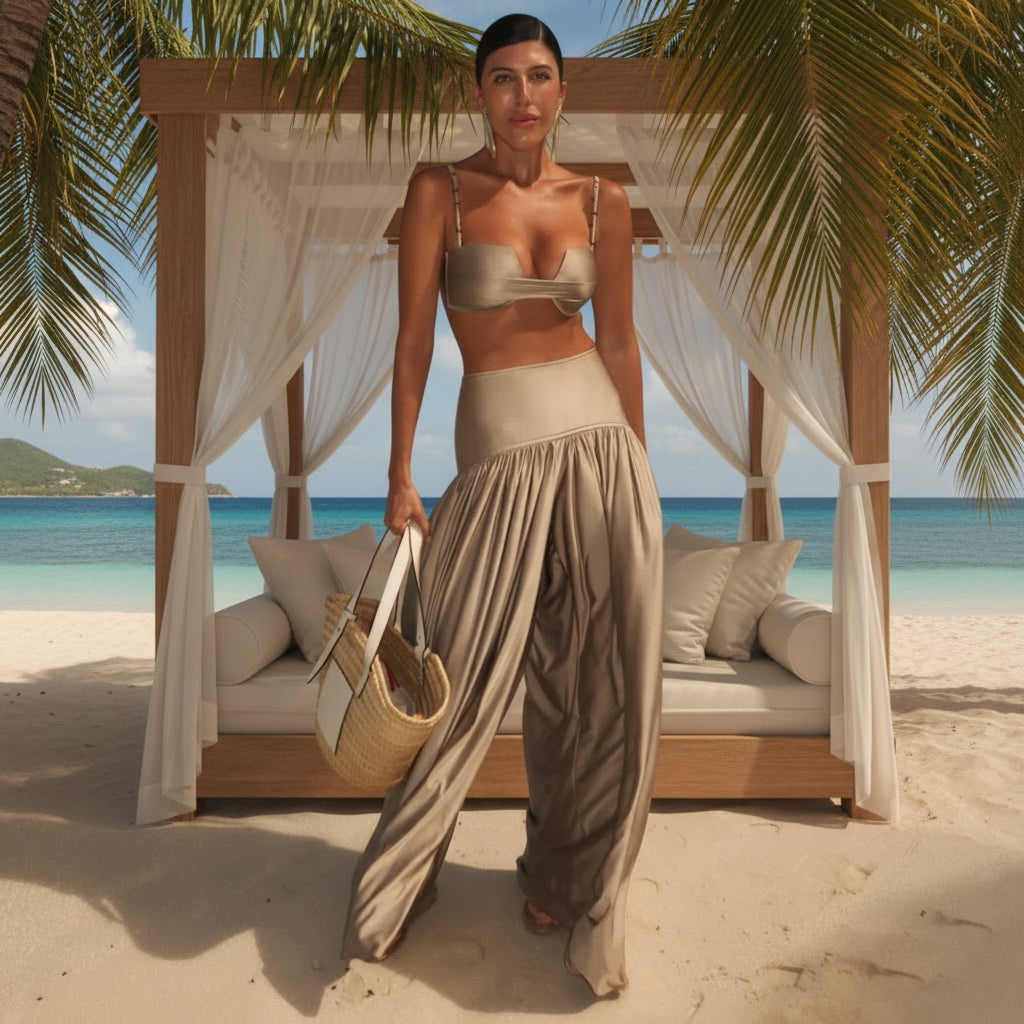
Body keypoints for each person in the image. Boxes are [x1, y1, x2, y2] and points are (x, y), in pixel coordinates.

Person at [340, 13, 663, 998]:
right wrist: (399, 475)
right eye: (501, 79)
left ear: (563, 92)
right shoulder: (439, 189)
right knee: (459, 666)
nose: (522, 95)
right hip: (493, 458)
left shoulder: (604, 201)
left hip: (603, 454)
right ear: (478, 95)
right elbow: (411, 345)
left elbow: (618, 347)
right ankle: (404, 876)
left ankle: (568, 885)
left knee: (596, 683)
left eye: (539, 77)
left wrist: (642, 469)